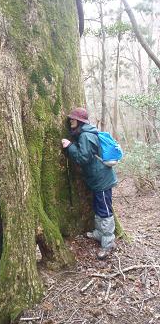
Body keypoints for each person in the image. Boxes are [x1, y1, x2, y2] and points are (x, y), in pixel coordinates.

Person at [61, 107, 117, 260]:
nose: (70, 121)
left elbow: (82, 159)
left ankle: (108, 242)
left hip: (102, 180)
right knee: (99, 207)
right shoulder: (87, 132)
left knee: (104, 210)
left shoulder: (86, 135)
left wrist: (69, 146)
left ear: (79, 121)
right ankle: (100, 233)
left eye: (73, 119)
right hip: (98, 178)